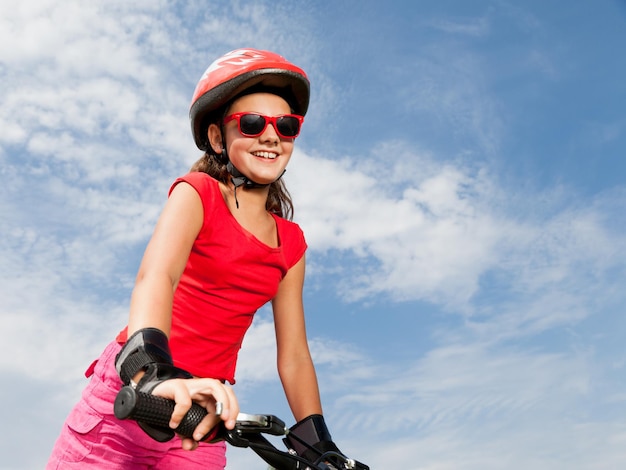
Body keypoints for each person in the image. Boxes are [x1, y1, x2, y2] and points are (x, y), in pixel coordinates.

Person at [47, 48, 347, 469]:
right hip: (135, 394)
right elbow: (157, 277)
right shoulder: (197, 194)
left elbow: (294, 353)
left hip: (201, 416)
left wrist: (318, 442)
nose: (270, 135)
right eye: (252, 123)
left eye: (286, 125)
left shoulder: (291, 244)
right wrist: (150, 371)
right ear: (216, 137)